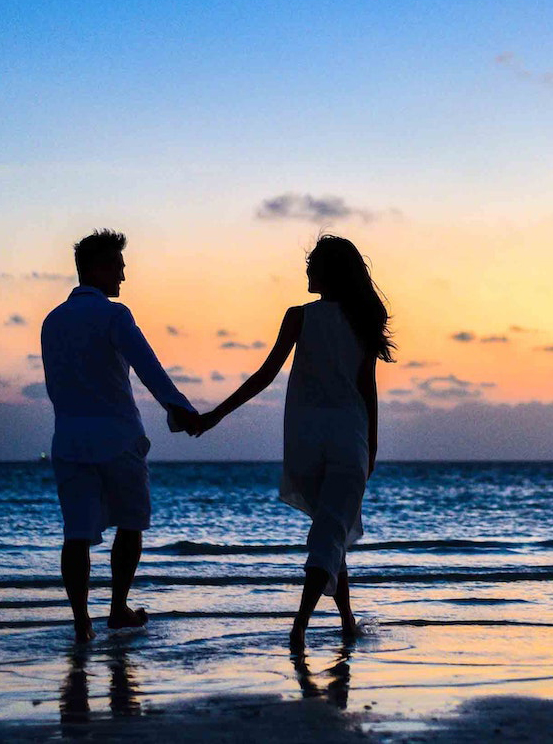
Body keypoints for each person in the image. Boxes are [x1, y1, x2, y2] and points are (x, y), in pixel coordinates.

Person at [196, 235, 394, 649]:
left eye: (312, 265)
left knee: (331, 531)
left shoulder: (298, 316)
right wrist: (372, 447)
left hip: (305, 444)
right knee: (329, 535)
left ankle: (347, 622)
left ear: (328, 272)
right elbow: (367, 389)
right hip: (348, 441)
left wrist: (215, 415)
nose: (306, 271)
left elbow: (265, 376)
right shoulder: (362, 319)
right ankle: (299, 628)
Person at [41, 229, 200, 642]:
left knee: (76, 534)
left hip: (70, 439)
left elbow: (55, 384)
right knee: (130, 524)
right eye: (118, 267)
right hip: (117, 437)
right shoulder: (115, 315)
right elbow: (147, 366)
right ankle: (117, 609)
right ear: (96, 268)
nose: (123, 277)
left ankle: (81, 622)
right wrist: (180, 410)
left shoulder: (51, 321)